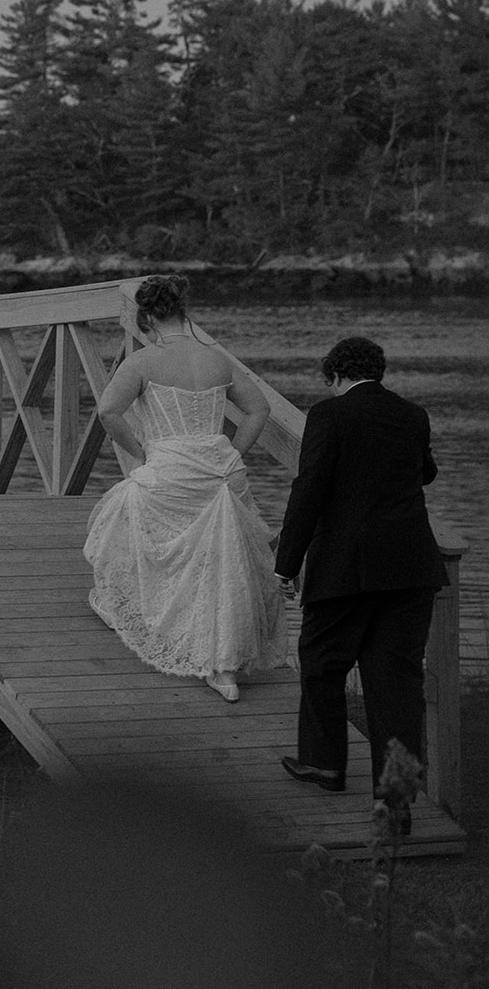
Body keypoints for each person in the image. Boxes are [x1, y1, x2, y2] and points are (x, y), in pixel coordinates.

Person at [85, 274, 288, 702]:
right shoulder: (217, 359)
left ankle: (120, 604)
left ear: (148, 317)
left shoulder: (142, 362)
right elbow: (259, 409)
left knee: (123, 509)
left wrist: (140, 453)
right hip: (219, 467)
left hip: (172, 466)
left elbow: (107, 411)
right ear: (183, 312)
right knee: (223, 562)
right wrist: (232, 452)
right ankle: (224, 667)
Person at [274, 336, 448, 825]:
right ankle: (393, 801)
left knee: (322, 661)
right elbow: (426, 473)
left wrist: (286, 563)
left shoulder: (328, 416)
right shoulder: (413, 414)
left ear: (335, 376)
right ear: (379, 371)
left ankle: (325, 763)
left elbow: (308, 489)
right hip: (410, 567)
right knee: (396, 681)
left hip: (345, 568)